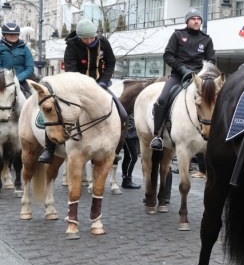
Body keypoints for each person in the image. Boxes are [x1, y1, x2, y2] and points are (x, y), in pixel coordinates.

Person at [38, 18, 128, 163]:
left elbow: (110, 62)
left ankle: (114, 149)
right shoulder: (72, 46)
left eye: (91, 37)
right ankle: (49, 149)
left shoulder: (103, 42)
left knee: (122, 114)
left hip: (100, 86)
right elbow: (71, 70)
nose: (89, 40)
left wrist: (104, 81)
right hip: (77, 87)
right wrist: (85, 86)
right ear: (79, 37)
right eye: (85, 39)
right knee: (56, 115)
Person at [149, 8, 216, 151]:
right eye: (193, 19)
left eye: (199, 19)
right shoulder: (178, 35)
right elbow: (168, 55)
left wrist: (204, 73)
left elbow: (211, 60)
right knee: (162, 99)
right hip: (178, 76)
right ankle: (158, 135)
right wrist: (182, 69)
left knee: (212, 101)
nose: (197, 21)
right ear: (187, 21)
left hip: (199, 78)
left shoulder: (206, 39)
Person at [0, 21, 34, 96]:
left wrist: (17, 79)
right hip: (2, 81)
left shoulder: (25, 49)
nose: (13, 36)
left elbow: (30, 68)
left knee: (32, 97)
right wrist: (6, 78)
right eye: (10, 35)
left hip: (21, 80)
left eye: (15, 35)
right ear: (4, 35)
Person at [120, 112, 140, 189]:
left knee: (128, 158)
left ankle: (126, 180)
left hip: (133, 137)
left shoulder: (134, 113)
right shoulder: (126, 113)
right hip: (128, 138)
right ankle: (127, 180)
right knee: (133, 157)